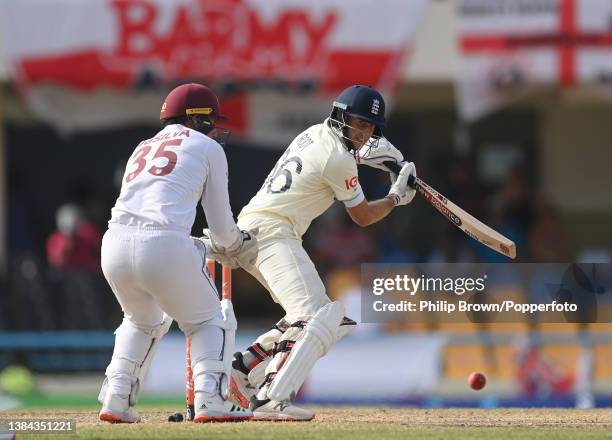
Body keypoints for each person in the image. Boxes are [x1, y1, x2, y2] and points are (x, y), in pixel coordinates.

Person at [229, 85, 417, 420]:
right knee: (318, 318)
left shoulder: (315, 133)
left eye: (372, 127)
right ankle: (271, 398)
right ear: (341, 116)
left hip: (256, 229)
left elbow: (357, 152)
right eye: (359, 123)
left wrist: (393, 160)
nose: (365, 133)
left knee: (328, 319)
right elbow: (362, 217)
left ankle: (243, 368)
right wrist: (396, 197)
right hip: (274, 235)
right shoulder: (338, 158)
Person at [97, 83, 257, 423]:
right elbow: (222, 226)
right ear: (196, 119)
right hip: (164, 244)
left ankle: (116, 398)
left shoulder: (143, 145)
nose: (216, 128)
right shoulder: (207, 147)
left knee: (140, 321)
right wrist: (237, 245)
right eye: (212, 120)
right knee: (209, 319)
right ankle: (211, 399)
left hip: (114, 244)